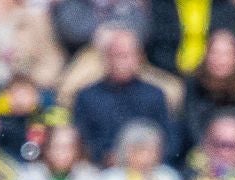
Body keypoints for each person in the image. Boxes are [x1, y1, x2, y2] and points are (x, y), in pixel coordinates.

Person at [72, 26, 173, 163]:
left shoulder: (154, 95)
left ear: (139, 58)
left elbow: (168, 138)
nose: (122, 62)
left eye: (127, 56)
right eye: (117, 55)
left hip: (149, 168)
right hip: (102, 170)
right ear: (106, 58)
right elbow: (83, 140)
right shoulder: (87, 97)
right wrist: (104, 156)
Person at [181, 27, 235, 156]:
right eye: (215, 53)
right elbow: (191, 129)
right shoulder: (193, 86)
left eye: (226, 53)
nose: (220, 59)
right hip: (202, 155)